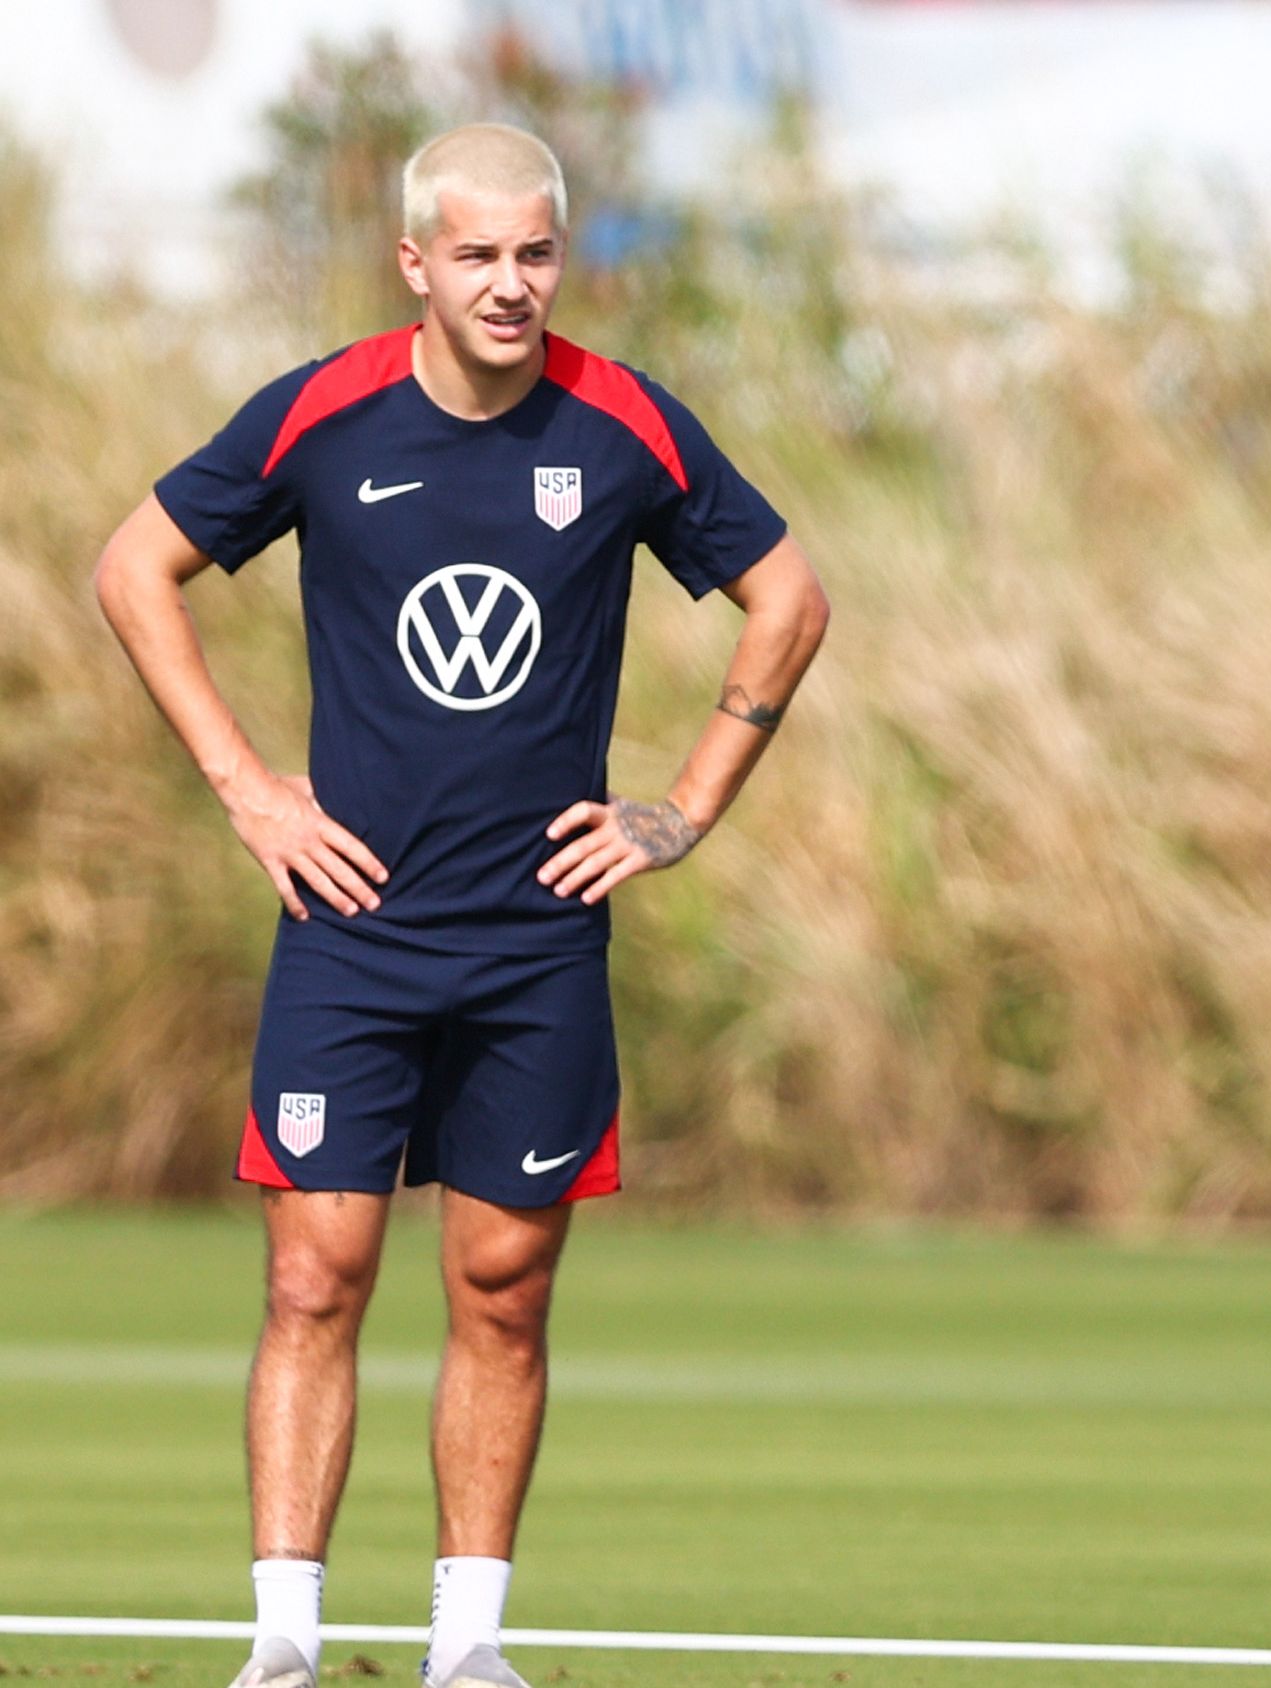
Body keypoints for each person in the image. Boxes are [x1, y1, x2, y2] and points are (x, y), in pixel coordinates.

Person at [92, 123, 831, 1688]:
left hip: (537, 945)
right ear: (414, 260)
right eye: (479, 256)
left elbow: (789, 596)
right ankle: (284, 1646)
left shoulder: (624, 423)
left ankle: (468, 1651)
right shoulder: (320, 413)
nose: (511, 285)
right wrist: (246, 787)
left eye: (537, 254)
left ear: (565, 257)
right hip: (349, 932)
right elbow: (133, 569)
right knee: (316, 1277)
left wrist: (684, 808)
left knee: (502, 1293)